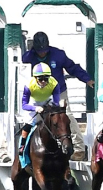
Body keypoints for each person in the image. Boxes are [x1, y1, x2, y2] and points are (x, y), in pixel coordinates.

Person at [21, 31, 94, 160]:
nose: (42, 53)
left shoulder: (58, 55)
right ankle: (30, 150)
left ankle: (79, 149)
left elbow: (72, 67)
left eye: (44, 50)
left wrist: (87, 79)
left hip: (58, 91)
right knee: (36, 120)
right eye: (39, 50)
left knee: (66, 116)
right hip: (38, 95)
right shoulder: (28, 57)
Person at [18, 63, 62, 169]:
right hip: (33, 103)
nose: (43, 81)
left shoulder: (55, 84)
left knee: (59, 122)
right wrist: (35, 108)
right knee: (28, 125)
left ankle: (64, 145)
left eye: (46, 79)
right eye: (41, 79)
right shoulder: (28, 86)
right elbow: (24, 105)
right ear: (35, 78)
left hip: (48, 102)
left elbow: (56, 102)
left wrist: (48, 107)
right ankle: (22, 147)